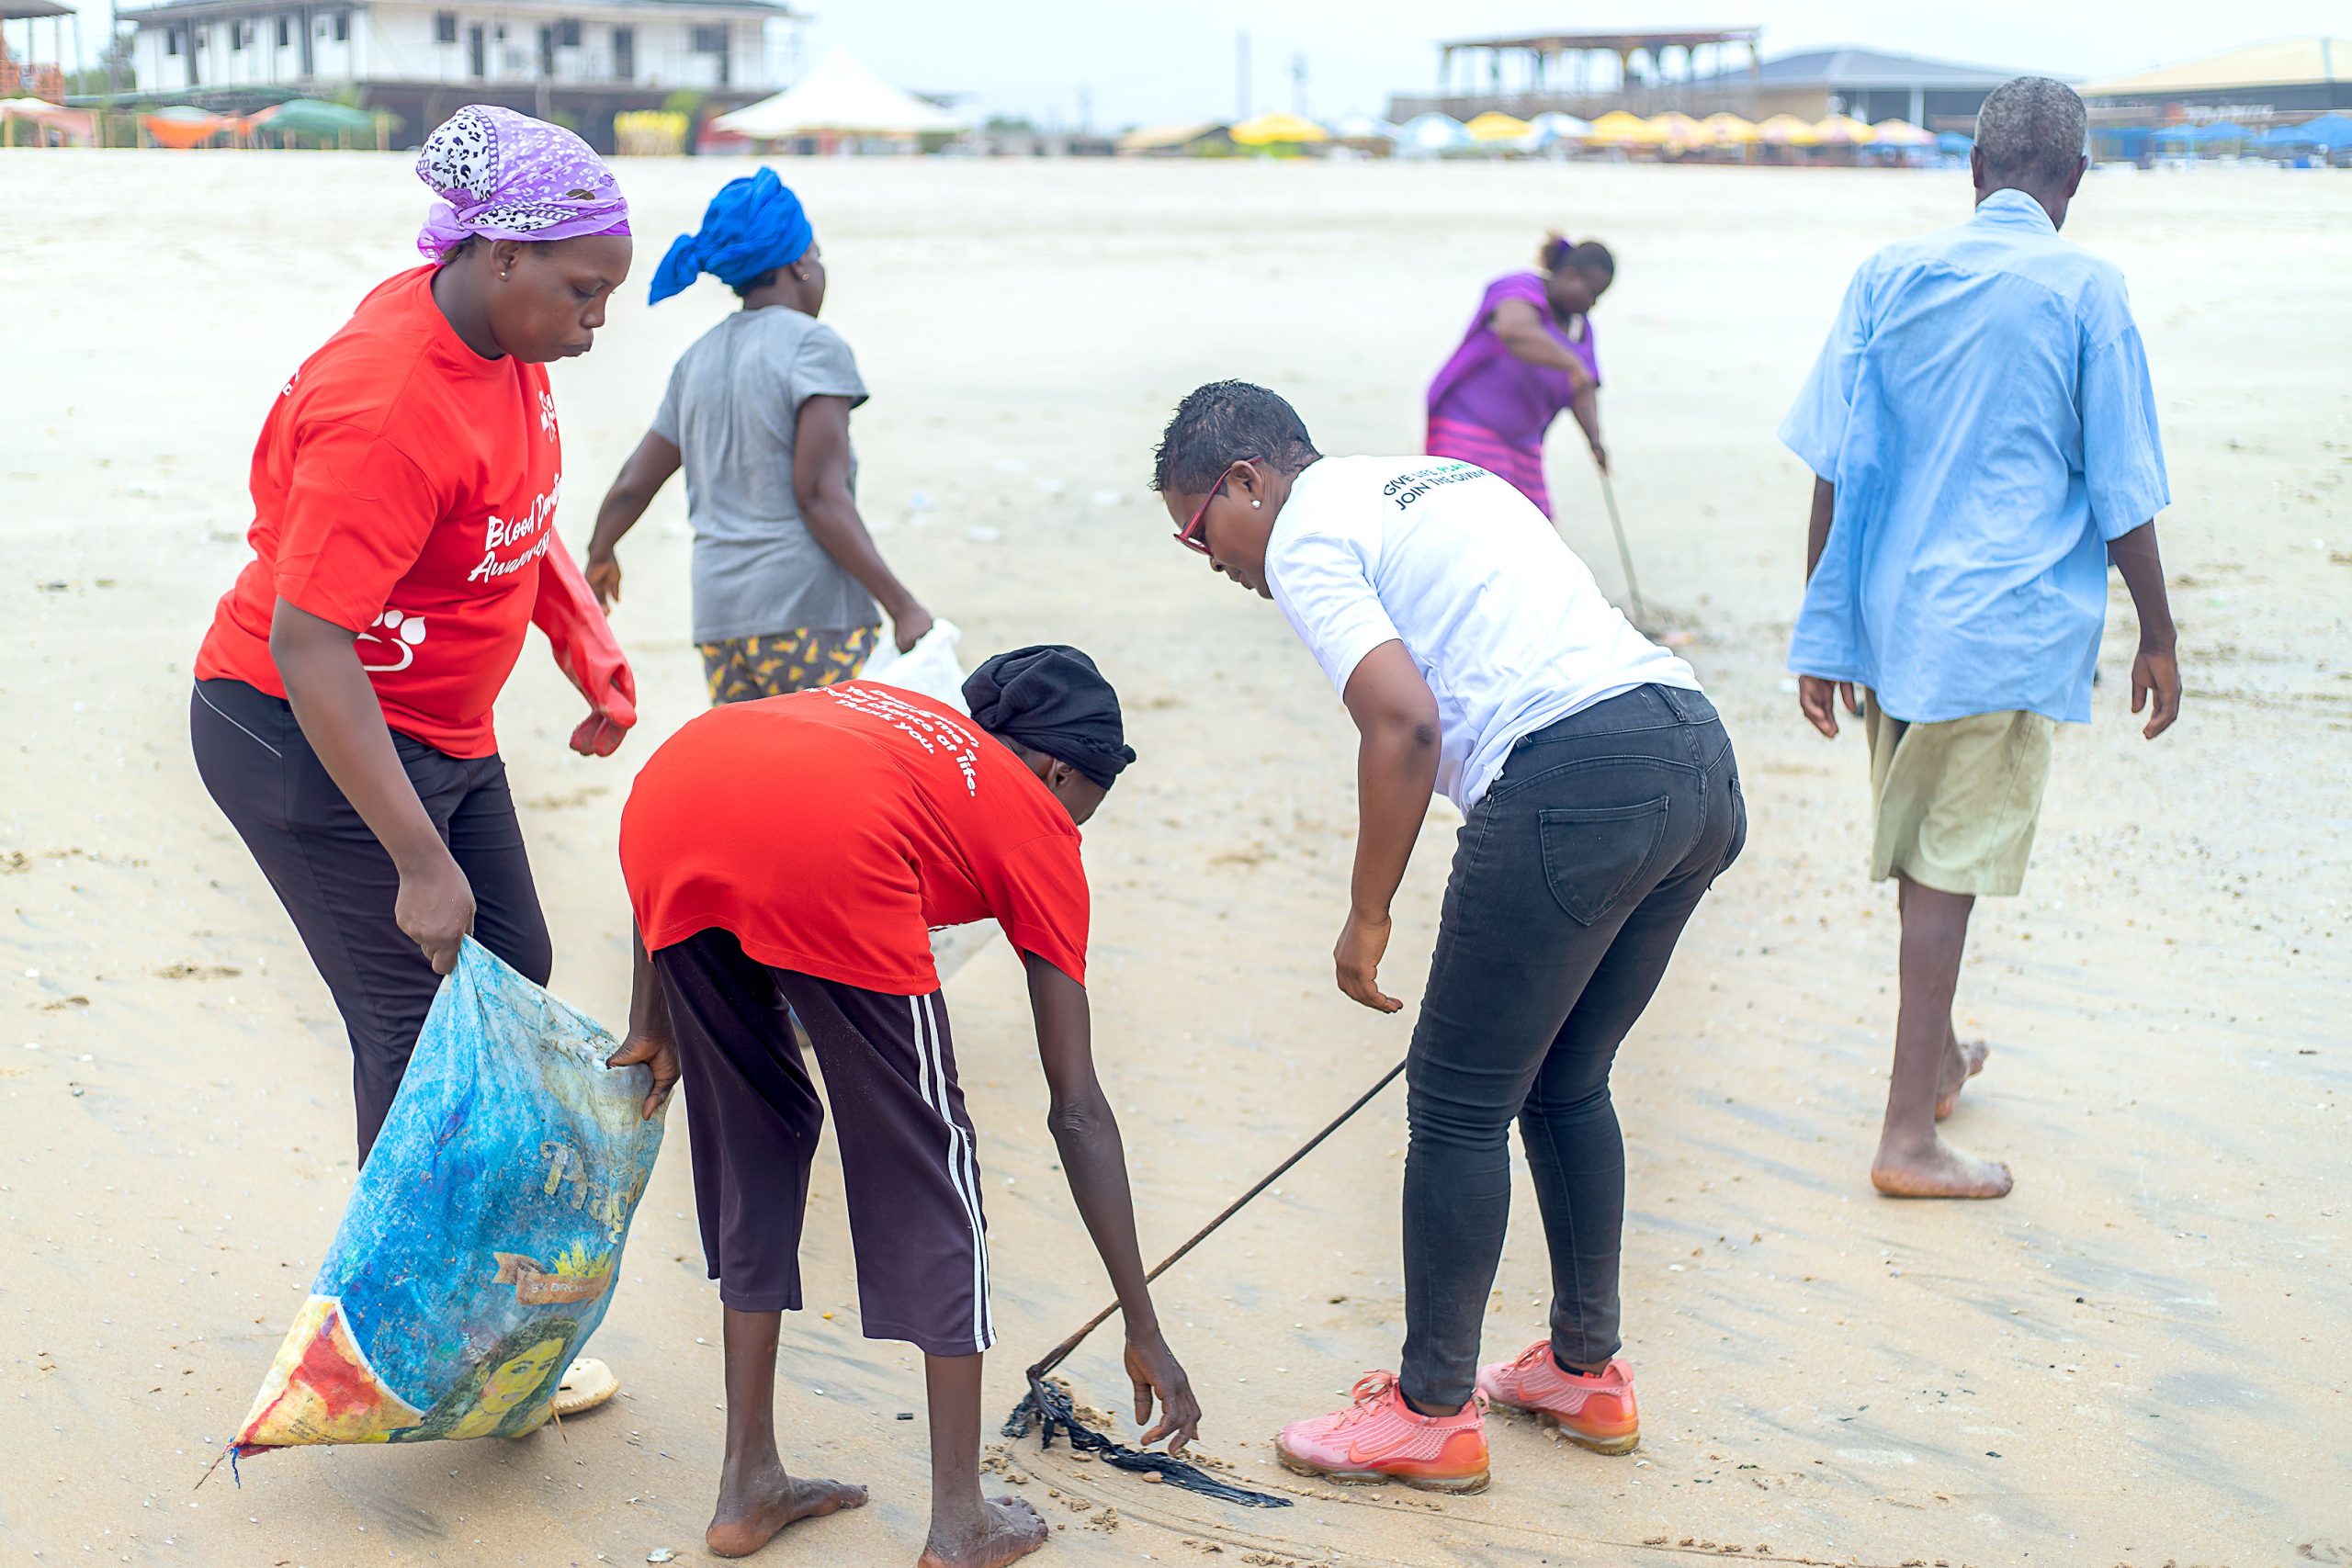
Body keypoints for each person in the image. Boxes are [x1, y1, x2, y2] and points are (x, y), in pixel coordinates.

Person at [1152, 383, 1743, 1492]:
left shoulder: (1307, 533)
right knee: (1567, 1080)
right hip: (1693, 757)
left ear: (1246, 482)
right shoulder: (1437, 482)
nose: (1209, 556)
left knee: (1459, 1105)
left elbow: (1405, 723)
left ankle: (1430, 1410)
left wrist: (1367, 910)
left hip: (1573, 777)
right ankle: (1584, 1370)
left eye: (1197, 529)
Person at [607, 649, 1201, 1565]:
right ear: (1058, 771)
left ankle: (745, 1486)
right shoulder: (1036, 822)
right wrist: (1144, 1324)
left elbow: (720, 794)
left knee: (757, 1134)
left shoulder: (898, 717)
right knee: (931, 1161)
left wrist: (654, 1016)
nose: (1080, 820)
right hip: (827, 846)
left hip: (671, 797)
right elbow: (1075, 1107)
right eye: (1089, 797)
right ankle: (960, 1520)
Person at [189, 104, 638, 1163]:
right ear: (500, 255)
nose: (598, 322)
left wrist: (589, 652)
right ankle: (388, 1324)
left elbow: (513, 518)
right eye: (585, 292)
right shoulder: (389, 407)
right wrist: (418, 861)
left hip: (440, 722)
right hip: (302, 732)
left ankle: (447, 1286)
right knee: (418, 1032)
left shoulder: (503, 340)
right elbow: (309, 643)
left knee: (510, 970)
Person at [1781, 76, 2180, 1201]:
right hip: (1997, 621)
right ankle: (1906, 1137)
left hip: (1894, 614)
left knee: (1925, 853)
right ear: (2076, 180)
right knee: (1942, 871)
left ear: (1971, 170)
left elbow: (1832, 458)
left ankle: (1939, 1060)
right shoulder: (2085, 290)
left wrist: (1824, 625)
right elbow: (2121, 482)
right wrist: (2157, 629)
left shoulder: (1888, 274)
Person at [585, 167, 932, 705]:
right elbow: (817, 494)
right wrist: (903, 606)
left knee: (758, 780)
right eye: (816, 257)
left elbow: (634, 483)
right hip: (809, 616)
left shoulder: (696, 358)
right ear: (799, 263)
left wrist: (601, 552)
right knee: (826, 778)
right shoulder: (813, 347)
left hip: (721, 623)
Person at [1424, 234, 1614, 519]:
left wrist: (1595, 441)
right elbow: (1515, 331)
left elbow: (1583, 389)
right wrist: (1571, 364)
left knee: (1534, 529)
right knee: (1466, 520)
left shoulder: (1580, 330)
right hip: (1466, 426)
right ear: (1570, 275)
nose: (1593, 304)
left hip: (1524, 443)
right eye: (1591, 293)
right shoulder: (1518, 288)